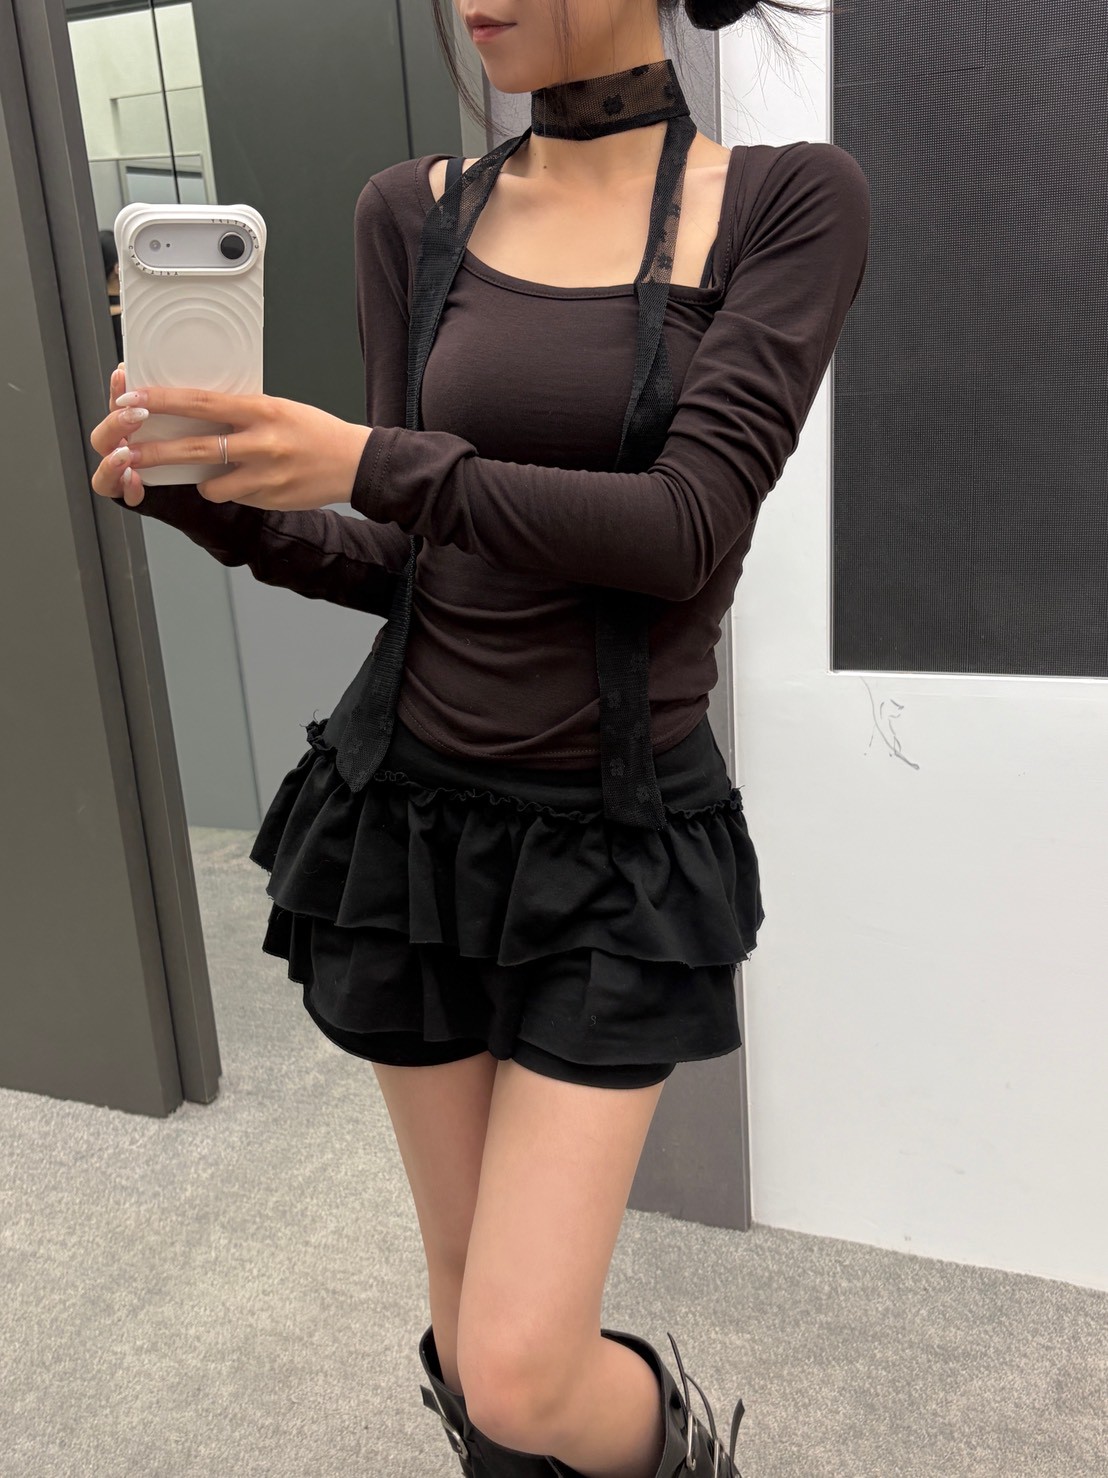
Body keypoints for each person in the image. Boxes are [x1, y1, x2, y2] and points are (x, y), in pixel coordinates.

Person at [88, 2, 870, 1473]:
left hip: (616, 847)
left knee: (521, 1366)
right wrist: (220, 511)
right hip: (409, 821)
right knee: (468, 1335)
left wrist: (370, 459)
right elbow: (411, 559)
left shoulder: (787, 204)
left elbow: (686, 529)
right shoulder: (413, 211)